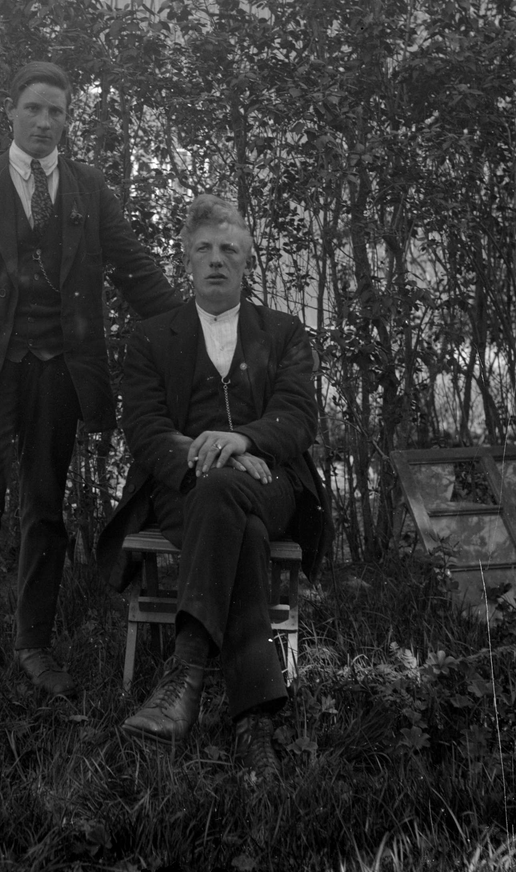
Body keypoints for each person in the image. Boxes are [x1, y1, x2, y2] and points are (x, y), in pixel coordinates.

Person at [0, 61, 181, 698]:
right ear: (11, 112)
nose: (44, 122)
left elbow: (135, 271)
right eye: (34, 109)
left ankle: (33, 646)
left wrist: (197, 328)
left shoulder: (89, 189)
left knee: (45, 511)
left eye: (57, 112)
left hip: (58, 373)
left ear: (69, 120)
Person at [96, 194, 332, 777]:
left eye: (229, 249)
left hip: (272, 484)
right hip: (183, 489)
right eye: (204, 249)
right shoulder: (152, 336)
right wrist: (209, 458)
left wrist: (244, 440)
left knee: (229, 497)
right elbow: (144, 427)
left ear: (247, 259)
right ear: (187, 260)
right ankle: (255, 723)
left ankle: (184, 674)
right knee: (235, 521)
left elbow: (298, 416)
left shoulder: (283, 332)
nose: (216, 259)